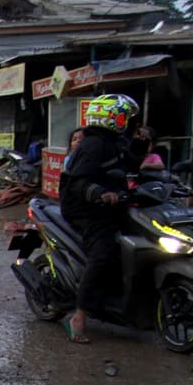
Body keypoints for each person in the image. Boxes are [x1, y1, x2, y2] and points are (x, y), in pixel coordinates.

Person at [59, 93, 141, 344]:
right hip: (86, 209)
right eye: (122, 116)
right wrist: (100, 194)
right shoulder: (92, 144)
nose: (126, 121)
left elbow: (132, 166)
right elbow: (77, 182)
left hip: (112, 204)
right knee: (102, 252)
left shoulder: (116, 141)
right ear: (109, 117)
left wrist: (140, 145)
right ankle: (79, 316)